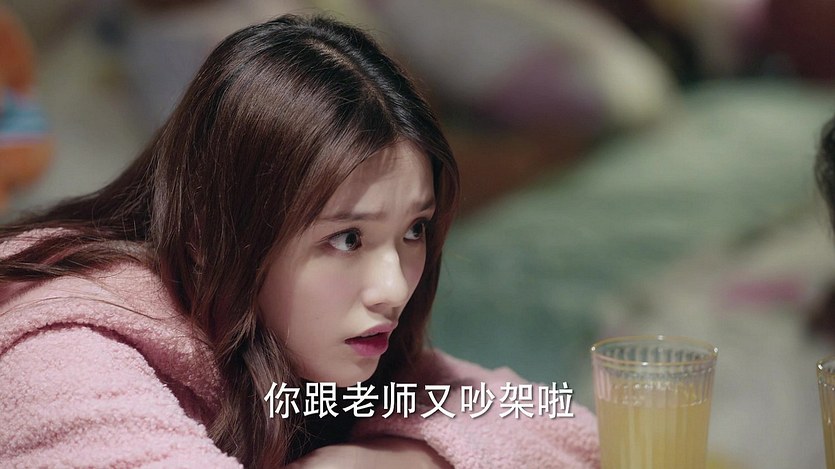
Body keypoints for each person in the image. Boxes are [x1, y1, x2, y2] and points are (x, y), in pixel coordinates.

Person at [0, 14, 599, 468]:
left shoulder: (302, 358)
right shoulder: (63, 354)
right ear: (210, 234)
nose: (393, 288)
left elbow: (569, 429)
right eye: (348, 239)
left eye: (414, 230)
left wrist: (392, 458)